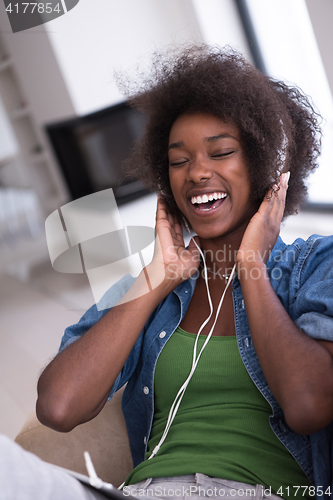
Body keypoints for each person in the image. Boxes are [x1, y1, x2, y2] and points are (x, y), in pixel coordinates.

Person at [1, 45, 333, 500]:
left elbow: (309, 405)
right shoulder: (152, 286)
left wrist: (251, 263)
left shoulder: (315, 266)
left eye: (220, 153)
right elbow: (58, 407)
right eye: (179, 161)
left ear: (266, 169)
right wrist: (160, 276)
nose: (196, 172)